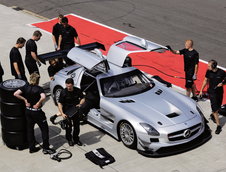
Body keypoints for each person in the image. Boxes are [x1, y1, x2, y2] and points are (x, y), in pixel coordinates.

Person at [14, 73, 55, 154]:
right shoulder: (39, 89)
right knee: (44, 129)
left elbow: (15, 94)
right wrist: (38, 103)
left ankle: (32, 148)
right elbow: (43, 97)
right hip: (37, 113)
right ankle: (46, 148)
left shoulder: (25, 87)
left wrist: (25, 100)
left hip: (28, 111)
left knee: (30, 130)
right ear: (37, 80)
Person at [199, 60, 226, 134]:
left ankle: (213, 115)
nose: (207, 67)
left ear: (213, 66)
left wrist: (222, 83)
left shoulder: (222, 72)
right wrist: (201, 90)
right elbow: (205, 80)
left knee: (218, 107)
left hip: (220, 92)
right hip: (212, 92)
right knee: (215, 109)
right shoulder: (208, 72)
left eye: (209, 66)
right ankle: (218, 126)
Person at [57, 78, 85, 146]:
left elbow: (83, 98)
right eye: (67, 86)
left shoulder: (77, 90)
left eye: (70, 86)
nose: (68, 88)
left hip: (75, 111)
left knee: (76, 126)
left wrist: (80, 104)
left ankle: (76, 139)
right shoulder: (63, 92)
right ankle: (69, 139)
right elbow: (60, 103)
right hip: (67, 112)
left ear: (73, 85)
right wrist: (62, 113)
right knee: (68, 127)